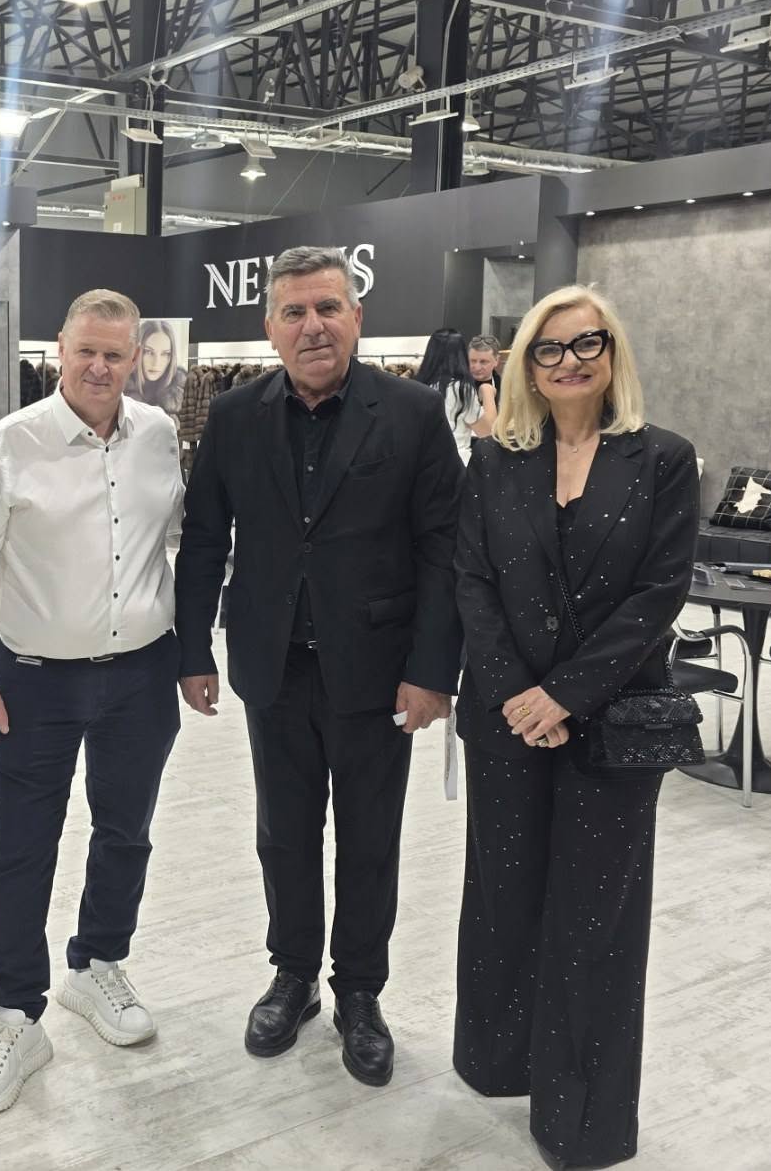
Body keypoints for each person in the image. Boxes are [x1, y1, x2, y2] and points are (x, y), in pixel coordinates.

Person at [174, 245, 462, 1087]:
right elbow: (204, 539)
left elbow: (444, 550)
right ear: (270, 327)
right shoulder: (235, 417)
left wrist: (432, 671)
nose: (313, 327)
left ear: (356, 317)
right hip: (272, 666)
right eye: (295, 312)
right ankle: (293, 974)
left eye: (328, 308)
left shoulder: (411, 413)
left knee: (370, 839)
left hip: (378, 672)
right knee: (284, 834)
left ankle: (360, 992)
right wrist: (193, 650)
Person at [452, 285, 697, 1170]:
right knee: (504, 898)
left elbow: (658, 594)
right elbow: (473, 581)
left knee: (596, 923)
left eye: (585, 342)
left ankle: (582, 1120)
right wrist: (519, 693)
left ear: (612, 351)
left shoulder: (663, 459)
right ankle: (500, 1062)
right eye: (548, 348)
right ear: (526, 365)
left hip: (613, 723)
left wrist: (565, 695)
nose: (568, 361)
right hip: (507, 722)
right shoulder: (495, 460)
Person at [0, 288, 186, 1113]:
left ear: (136, 359)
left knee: (126, 830)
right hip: (35, 680)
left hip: (142, 676)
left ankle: (97, 963)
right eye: (87, 350)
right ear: (59, 348)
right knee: (21, 844)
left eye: (115, 354)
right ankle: (15, 1014)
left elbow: (177, 540)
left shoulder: (159, 436)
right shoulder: (9, 445)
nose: (100, 367)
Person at [418, 327, 497, 462]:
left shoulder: (417, 387)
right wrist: (487, 392)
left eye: (483, 361)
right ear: (461, 355)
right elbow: (488, 432)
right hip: (456, 462)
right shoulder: (460, 389)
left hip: (424, 463)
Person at [125, 317, 187, 420]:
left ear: (171, 357)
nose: (156, 363)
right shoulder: (120, 391)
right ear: (137, 352)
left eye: (165, 354)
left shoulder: (184, 391)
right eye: (148, 352)